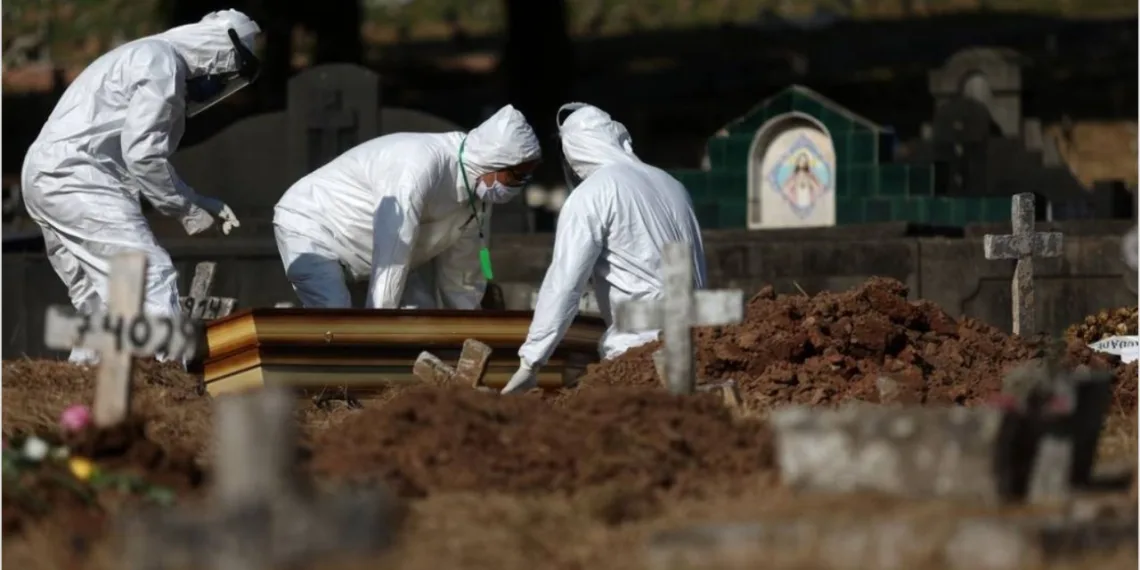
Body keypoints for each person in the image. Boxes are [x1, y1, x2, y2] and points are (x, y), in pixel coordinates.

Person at [21, 10, 261, 364]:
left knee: (99, 302)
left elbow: (132, 154)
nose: (218, 87)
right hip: (77, 176)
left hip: (49, 175)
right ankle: (169, 385)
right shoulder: (161, 65)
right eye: (226, 75)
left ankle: (81, 395)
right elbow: (144, 156)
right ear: (219, 53)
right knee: (148, 273)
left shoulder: (146, 54)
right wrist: (189, 210)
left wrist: (197, 199)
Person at [501, 103, 708, 394]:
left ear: (573, 153)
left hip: (640, 351)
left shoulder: (594, 193)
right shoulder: (672, 184)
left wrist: (531, 361)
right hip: (699, 343)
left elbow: (564, 284)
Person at [273, 105, 541, 309]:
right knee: (335, 317)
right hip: (315, 226)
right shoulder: (421, 165)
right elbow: (394, 244)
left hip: (375, 255)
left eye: (527, 176)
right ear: (492, 162)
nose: (520, 185)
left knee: (422, 321)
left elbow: (464, 267)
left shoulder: (479, 198)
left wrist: (469, 328)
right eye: (516, 175)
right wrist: (380, 321)